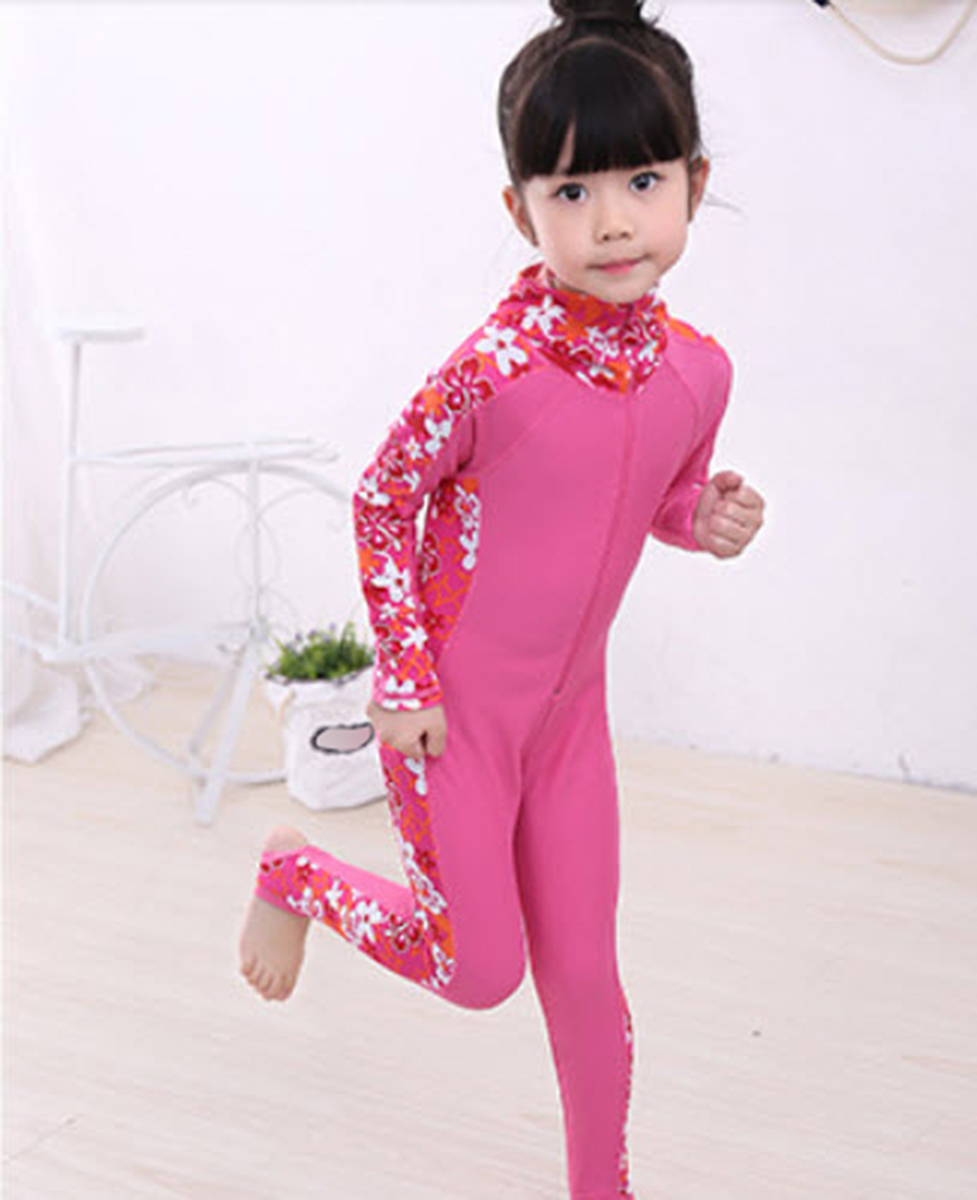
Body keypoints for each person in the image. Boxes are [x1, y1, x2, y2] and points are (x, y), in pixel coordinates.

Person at [238, 1, 765, 1196]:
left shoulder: (701, 371)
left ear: (695, 182)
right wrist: (404, 674)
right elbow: (384, 496)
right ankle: (294, 875)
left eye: (642, 180)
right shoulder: (493, 370)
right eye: (571, 190)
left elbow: (655, 497)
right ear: (520, 209)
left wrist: (702, 518)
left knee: (584, 976)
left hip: (572, 724)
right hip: (453, 718)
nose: (613, 220)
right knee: (477, 970)